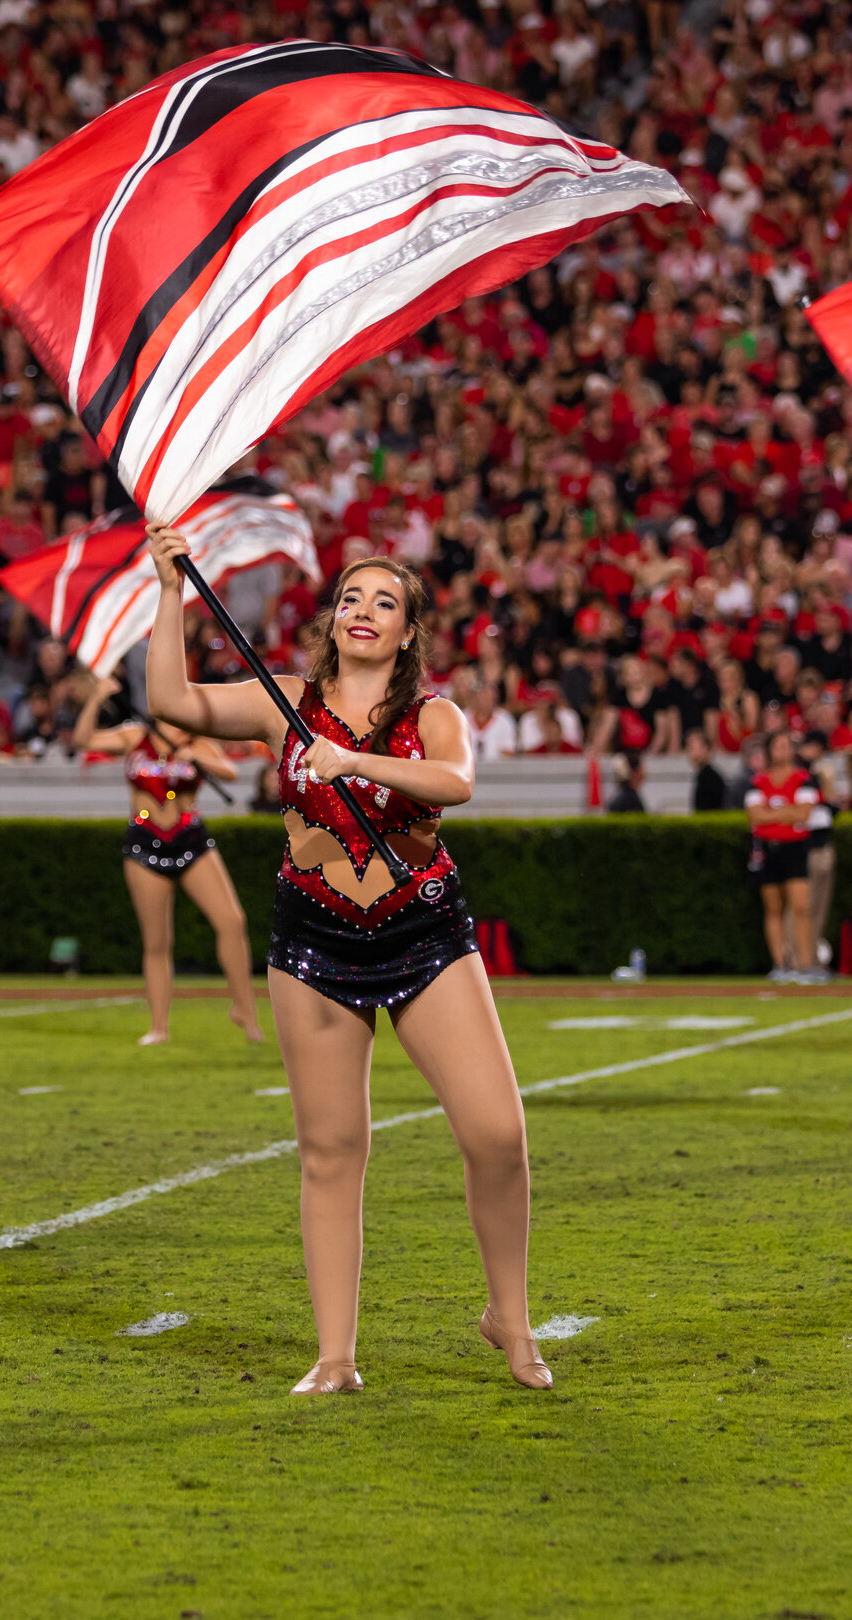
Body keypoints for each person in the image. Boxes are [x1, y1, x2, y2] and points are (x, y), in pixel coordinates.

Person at [141, 523, 549, 1396]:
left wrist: (352, 757)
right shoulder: (281, 697)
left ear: (409, 633)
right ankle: (335, 1355)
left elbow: (455, 783)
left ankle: (508, 1317)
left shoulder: (433, 716)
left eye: (386, 602)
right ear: (333, 620)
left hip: (426, 936)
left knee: (499, 1133)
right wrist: (171, 590)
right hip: (314, 940)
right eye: (352, 598)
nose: (365, 610)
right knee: (331, 1149)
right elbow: (171, 701)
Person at [69, 673, 263, 1047]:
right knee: (157, 940)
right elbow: (83, 741)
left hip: (191, 838)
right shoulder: (133, 736)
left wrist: (196, 758)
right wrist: (96, 699)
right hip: (145, 840)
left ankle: (246, 1013)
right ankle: (159, 1026)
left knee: (231, 921)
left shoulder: (197, 742)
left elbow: (231, 771)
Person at [744, 730, 826, 984]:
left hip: (795, 848)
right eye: (778, 746)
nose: (783, 750)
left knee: (801, 906)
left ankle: (805, 964)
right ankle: (779, 964)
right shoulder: (758, 781)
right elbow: (755, 816)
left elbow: (803, 814)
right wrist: (785, 813)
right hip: (768, 849)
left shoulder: (804, 778)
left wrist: (773, 813)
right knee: (773, 908)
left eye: (786, 745)